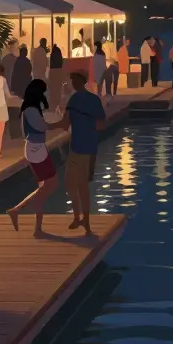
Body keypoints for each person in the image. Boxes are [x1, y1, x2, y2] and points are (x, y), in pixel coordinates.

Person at [7, 80, 69, 237]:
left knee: (44, 187)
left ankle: (36, 228)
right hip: (36, 150)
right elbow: (42, 127)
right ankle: (18, 210)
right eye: (42, 92)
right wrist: (60, 123)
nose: (44, 95)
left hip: (37, 148)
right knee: (51, 184)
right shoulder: (30, 109)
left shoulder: (30, 108)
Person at [65, 71, 106, 233]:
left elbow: (64, 123)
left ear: (78, 82)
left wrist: (46, 126)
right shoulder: (94, 100)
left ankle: (79, 218)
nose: (72, 83)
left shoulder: (73, 100)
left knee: (71, 184)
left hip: (77, 147)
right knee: (82, 186)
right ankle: (84, 220)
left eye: (73, 80)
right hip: (90, 147)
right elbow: (102, 124)